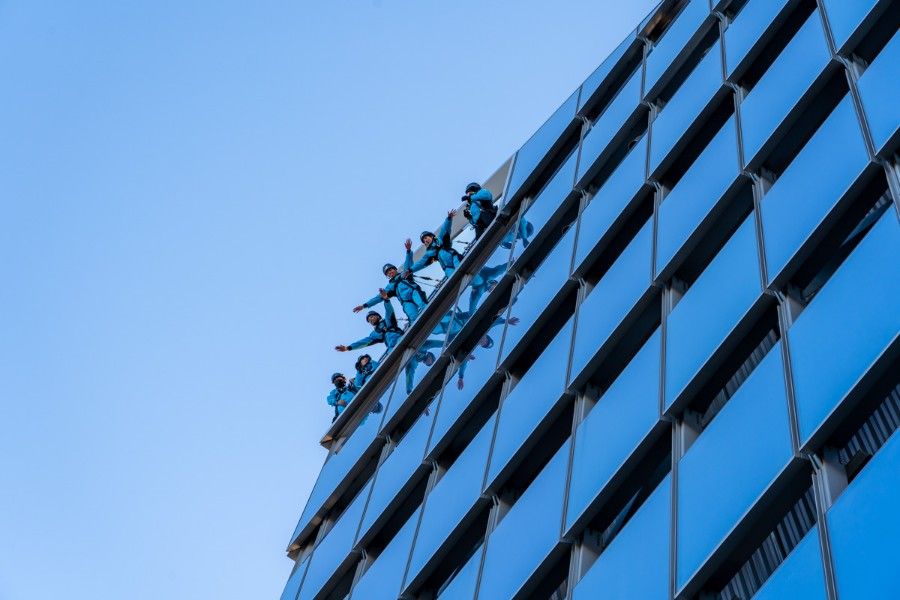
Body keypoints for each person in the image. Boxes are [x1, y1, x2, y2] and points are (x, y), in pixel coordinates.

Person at [354, 239, 429, 322]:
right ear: (387, 276)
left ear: (395, 269)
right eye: (388, 273)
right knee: (413, 317)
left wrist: (408, 251)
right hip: (405, 301)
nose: (390, 272)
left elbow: (408, 263)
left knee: (423, 305)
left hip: (414, 292)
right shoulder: (390, 286)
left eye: (391, 270)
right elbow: (378, 298)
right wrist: (364, 305)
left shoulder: (404, 273)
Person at [408, 210, 464, 278]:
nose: (425, 240)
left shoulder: (440, 239)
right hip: (446, 267)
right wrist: (410, 270)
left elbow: (445, 229)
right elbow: (421, 263)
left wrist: (448, 219)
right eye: (423, 240)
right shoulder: (429, 253)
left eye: (426, 238)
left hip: (454, 256)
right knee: (454, 278)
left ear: (431, 236)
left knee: (462, 268)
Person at [336, 300, 403, 353]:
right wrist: (348, 348)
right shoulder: (375, 333)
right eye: (369, 320)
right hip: (391, 347)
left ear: (377, 316)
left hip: (400, 338)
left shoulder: (387, 320)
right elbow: (363, 342)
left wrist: (386, 300)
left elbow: (389, 310)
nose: (370, 320)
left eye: (371, 317)